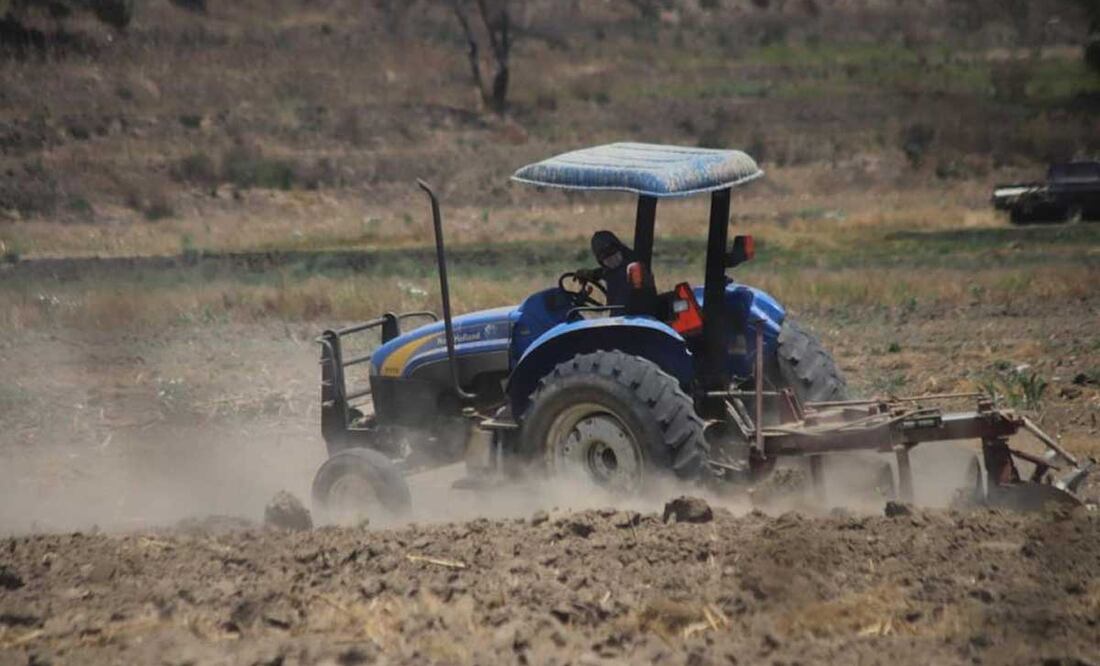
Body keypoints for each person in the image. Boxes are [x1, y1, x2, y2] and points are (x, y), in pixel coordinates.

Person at [576, 230, 656, 311]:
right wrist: (591, 274)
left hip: (633, 317)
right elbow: (607, 272)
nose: (610, 258)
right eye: (604, 256)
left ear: (619, 247)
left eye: (612, 251)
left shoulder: (634, 267)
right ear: (600, 260)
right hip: (617, 318)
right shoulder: (610, 271)